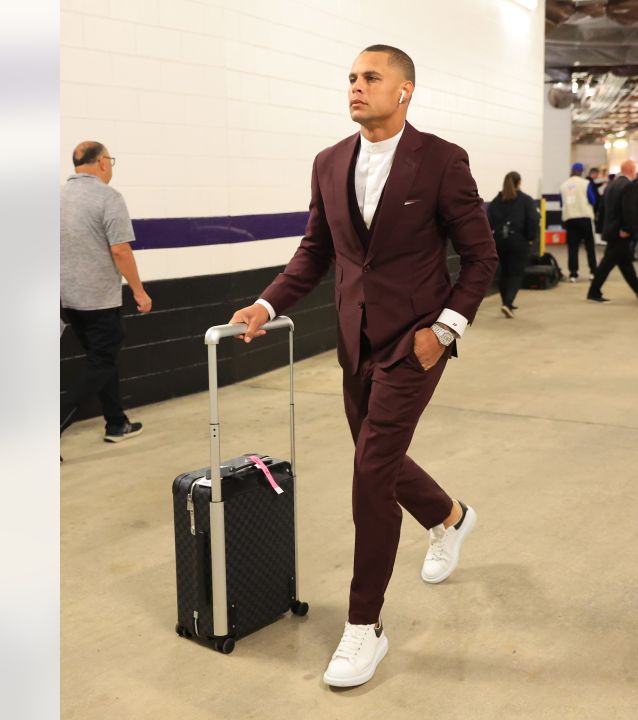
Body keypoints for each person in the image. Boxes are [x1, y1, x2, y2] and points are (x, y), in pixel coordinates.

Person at [226, 45, 497, 688]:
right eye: (350, 77)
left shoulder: (441, 159)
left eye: (370, 77)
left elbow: (480, 257)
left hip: (416, 342)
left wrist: (444, 330)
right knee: (379, 456)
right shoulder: (328, 162)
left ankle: (364, 626)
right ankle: (450, 517)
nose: (356, 86)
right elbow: (315, 251)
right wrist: (266, 303)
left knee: (371, 471)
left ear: (404, 90)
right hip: (356, 341)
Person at [60, 141, 153, 443]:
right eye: (110, 160)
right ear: (101, 162)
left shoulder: (58, 197)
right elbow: (121, 250)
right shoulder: (108, 197)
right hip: (99, 300)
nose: (110, 166)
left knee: (102, 359)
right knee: (101, 363)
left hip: (66, 299)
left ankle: (116, 423)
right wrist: (139, 291)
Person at [586, 159, 638, 303]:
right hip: (621, 232)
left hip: (611, 230)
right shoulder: (628, 186)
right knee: (607, 263)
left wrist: (601, 229)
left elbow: (602, 208)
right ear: (631, 170)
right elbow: (629, 210)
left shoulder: (611, 185)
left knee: (624, 262)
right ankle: (593, 291)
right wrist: (627, 229)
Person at [486, 171, 540, 317]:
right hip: (518, 241)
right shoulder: (525, 200)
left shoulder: (496, 201)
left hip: (499, 241)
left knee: (504, 272)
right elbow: (533, 220)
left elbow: (487, 221)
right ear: (519, 182)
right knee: (516, 273)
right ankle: (507, 303)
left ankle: (506, 301)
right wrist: (530, 237)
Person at [560, 162, 598, 282]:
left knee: (572, 248)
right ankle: (593, 272)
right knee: (590, 247)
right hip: (585, 218)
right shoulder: (586, 183)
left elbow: (561, 203)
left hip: (570, 219)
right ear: (582, 171)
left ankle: (573, 274)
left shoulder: (563, 186)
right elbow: (593, 200)